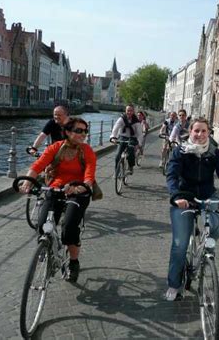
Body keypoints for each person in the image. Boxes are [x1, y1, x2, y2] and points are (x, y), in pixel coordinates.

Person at [165, 117, 219, 301]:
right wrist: (176, 195)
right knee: (180, 244)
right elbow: (172, 175)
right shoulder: (180, 151)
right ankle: (174, 285)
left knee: (217, 226)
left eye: (203, 131)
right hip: (185, 197)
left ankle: (206, 261)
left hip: (207, 195)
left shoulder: (213, 152)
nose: (200, 134)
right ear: (190, 131)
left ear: (208, 133)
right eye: (196, 131)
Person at [19, 117, 96, 282]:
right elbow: (38, 165)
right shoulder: (56, 147)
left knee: (69, 228)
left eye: (85, 131)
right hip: (56, 188)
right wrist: (27, 182)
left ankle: (74, 263)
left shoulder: (87, 151)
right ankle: (46, 247)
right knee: (41, 225)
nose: (83, 134)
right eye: (78, 130)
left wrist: (81, 187)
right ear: (67, 132)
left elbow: (89, 175)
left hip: (78, 191)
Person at [110, 104, 143, 175]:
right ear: (125, 111)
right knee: (118, 155)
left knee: (131, 150)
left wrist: (139, 144)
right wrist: (113, 137)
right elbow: (115, 128)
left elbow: (140, 134)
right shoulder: (122, 119)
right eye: (128, 111)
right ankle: (117, 172)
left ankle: (130, 167)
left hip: (132, 138)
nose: (129, 112)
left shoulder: (136, 121)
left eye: (131, 111)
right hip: (122, 137)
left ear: (133, 112)